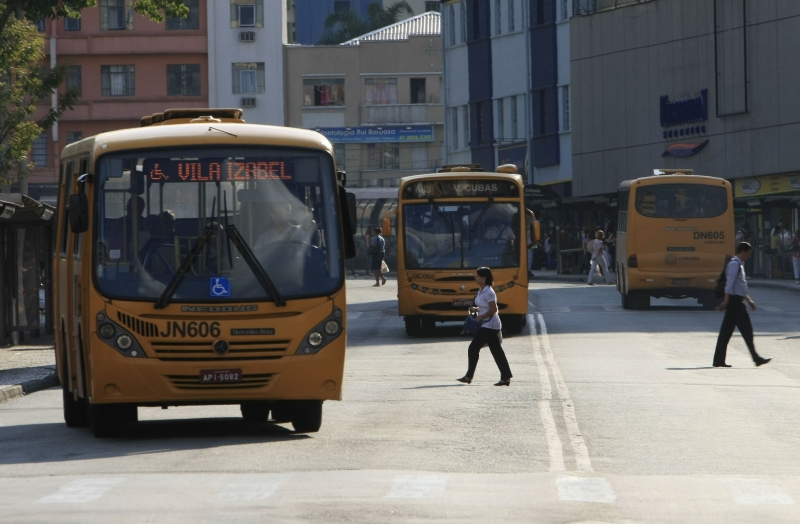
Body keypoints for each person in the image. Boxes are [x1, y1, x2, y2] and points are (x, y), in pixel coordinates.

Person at [713, 242, 771, 368]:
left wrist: (749, 300)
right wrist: (726, 301)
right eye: (748, 253)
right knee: (747, 330)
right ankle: (756, 358)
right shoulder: (735, 265)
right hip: (735, 303)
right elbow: (730, 284)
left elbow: (739, 287)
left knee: (726, 332)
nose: (749, 256)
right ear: (742, 252)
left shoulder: (739, 265)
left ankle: (718, 360)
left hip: (736, 301)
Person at [456, 267, 513, 386]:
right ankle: (506, 377)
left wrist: (480, 317)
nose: (475, 278)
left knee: (473, 347)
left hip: (490, 324)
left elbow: (493, 309)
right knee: (496, 351)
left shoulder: (489, 292)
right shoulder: (481, 291)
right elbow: (484, 306)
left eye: (477, 276)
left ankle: (469, 376)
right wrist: (475, 309)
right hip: (487, 323)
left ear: (483, 278)